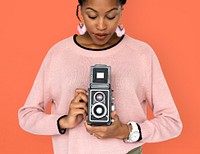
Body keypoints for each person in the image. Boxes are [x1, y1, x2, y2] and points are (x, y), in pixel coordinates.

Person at [18, 0, 183, 154]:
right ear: (80, 10)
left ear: (121, 11)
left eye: (111, 16)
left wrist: (125, 131)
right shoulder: (59, 54)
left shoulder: (141, 54)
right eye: (92, 15)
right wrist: (63, 122)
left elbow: (172, 123)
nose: (101, 25)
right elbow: (27, 117)